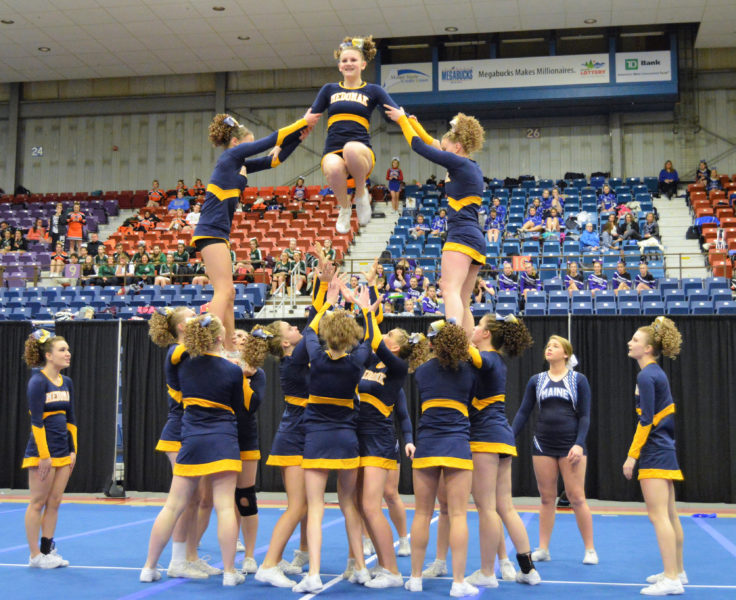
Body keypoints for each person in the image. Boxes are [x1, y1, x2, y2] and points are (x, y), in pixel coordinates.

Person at [140, 314, 246, 586]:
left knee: (173, 505)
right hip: (222, 439)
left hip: (192, 439)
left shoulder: (185, 365)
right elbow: (240, 408)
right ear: (220, 338)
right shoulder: (231, 370)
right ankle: (231, 573)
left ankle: (150, 567)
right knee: (224, 507)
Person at [192, 113, 307, 351]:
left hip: (218, 232)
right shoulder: (230, 155)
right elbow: (273, 140)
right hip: (210, 230)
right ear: (236, 142)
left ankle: (230, 347)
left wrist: (298, 139)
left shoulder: (239, 164)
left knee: (230, 292)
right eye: (249, 143)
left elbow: (273, 160)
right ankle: (202, 341)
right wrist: (305, 121)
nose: (252, 147)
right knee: (224, 291)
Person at [292, 275, 377, 593]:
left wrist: (327, 301)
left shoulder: (314, 355)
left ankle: (313, 573)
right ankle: (361, 568)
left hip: (316, 437)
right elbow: (371, 339)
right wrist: (365, 310)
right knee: (349, 506)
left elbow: (309, 331)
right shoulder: (358, 362)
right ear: (350, 336)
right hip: (346, 439)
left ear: (328, 335)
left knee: (315, 506)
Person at [385, 106, 486, 335]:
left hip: (461, 234)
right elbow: (432, 143)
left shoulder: (459, 164)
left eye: (447, 148)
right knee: (462, 298)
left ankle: (453, 341)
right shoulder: (469, 165)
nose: (443, 151)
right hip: (474, 237)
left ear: (457, 147)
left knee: (448, 287)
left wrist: (402, 121)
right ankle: (467, 347)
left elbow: (420, 147)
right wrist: (415, 124)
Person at [462, 314, 540, 587]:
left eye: (478, 327)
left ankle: (486, 572)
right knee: (505, 507)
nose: (473, 329)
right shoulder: (495, 361)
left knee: (486, 508)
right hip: (501, 436)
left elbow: (461, 343)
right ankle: (528, 569)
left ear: (486, 335)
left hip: (485, 437)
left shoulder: (489, 359)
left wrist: (454, 295)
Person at [355, 305, 428, 588]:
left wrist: (367, 310)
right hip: (358, 437)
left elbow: (371, 338)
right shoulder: (370, 364)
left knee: (374, 505)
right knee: (363, 506)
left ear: (395, 346)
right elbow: (366, 341)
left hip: (378, 439)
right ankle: (384, 564)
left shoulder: (398, 368)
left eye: (387, 337)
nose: (382, 339)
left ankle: (394, 570)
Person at [405, 321, 478, 598]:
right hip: (457, 444)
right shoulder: (470, 372)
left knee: (422, 513)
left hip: (427, 443)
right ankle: (458, 582)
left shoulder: (422, 371)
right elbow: (471, 399)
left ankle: (414, 578)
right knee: (458, 514)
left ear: (433, 343)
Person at [512, 336, 597, 565]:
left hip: (571, 445)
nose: (549, 348)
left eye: (555, 346)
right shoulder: (536, 380)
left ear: (566, 354)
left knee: (577, 497)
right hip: (543, 444)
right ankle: (543, 548)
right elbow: (523, 412)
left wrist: (579, 443)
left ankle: (589, 549)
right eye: (547, 345)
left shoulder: (578, 380)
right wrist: (509, 438)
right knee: (547, 498)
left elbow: (585, 416)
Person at [147, 308, 217, 579]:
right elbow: (176, 352)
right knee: (181, 500)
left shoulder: (189, 352)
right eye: (190, 317)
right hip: (178, 431)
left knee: (196, 498)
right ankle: (174, 561)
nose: (196, 318)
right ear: (180, 327)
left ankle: (189, 556)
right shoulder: (176, 350)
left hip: (189, 431)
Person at [304, 36, 399, 233]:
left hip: (361, 154)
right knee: (332, 166)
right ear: (339, 66)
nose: (348, 64)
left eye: (353, 60)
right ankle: (345, 209)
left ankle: (361, 192)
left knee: (351, 149)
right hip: (332, 149)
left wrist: (407, 120)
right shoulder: (329, 89)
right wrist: (281, 142)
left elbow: (398, 113)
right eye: (344, 61)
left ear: (363, 64)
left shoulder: (373, 90)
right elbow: (307, 119)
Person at [623, 317, 685, 596]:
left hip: (655, 451)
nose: (630, 343)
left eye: (635, 340)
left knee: (659, 516)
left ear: (648, 349)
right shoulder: (655, 373)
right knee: (670, 515)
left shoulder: (646, 375)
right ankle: (677, 570)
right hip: (664, 447)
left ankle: (672, 578)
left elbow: (646, 421)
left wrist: (631, 456)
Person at [22, 330, 76, 569]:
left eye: (67, 349)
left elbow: (71, 419)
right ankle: (35, 555)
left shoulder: (67, 382)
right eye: (62, 350)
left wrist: (73, 450)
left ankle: (47, 551)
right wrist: (44, 456)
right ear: (48, 355)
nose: (68, 354)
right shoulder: (38, 381)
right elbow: (36, 421)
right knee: (37, 502)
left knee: (54, 502)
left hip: (63, 452)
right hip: (42, 453)